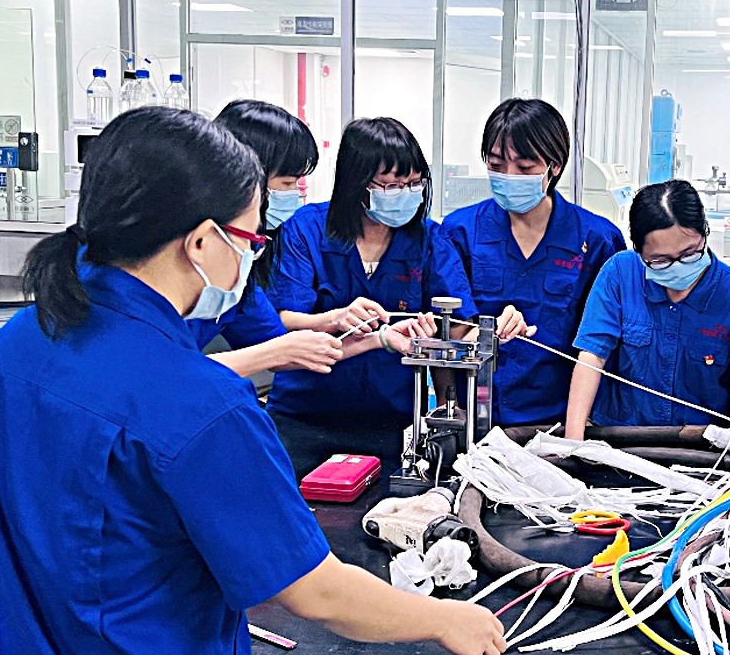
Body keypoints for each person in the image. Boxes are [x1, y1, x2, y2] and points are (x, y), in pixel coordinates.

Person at [0, 107, 505, 655]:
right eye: (251, 238)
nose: (254, 256)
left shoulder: (22, 342)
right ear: (199, 241)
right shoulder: (196, 403)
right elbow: (316, 592)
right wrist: (446, 620)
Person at [265, 117, 476, 474]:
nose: (405, 194)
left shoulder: (428, 240)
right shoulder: (306, 229)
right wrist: (334, 318)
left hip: (390, 421)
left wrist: (446, 409)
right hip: (303, 416)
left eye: (414, 184)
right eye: (391, 186)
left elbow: (454, 329)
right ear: (356, 183)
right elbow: (280, 321)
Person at [441, 98, 626, 427]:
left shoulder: (597, 239)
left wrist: (581, 427)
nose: (509, 176)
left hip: (562, 420)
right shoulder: (461, 232)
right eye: (496, 165)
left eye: (525, 168)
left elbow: (606, 344)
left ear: (554, 165)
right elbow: (447, 330)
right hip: (478, 416)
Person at [566, 179, 730, 439]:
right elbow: (592, 357)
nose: (678, 267)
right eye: (660, 261)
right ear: (639, 251)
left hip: (702, 445)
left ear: (705, 233)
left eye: (690, 254)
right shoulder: (620, 273)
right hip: (622, 437)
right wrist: (573, 442)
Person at [182, 99, 340, 380]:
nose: (294, 194)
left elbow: (278, 343)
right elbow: (160, 368)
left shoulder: (241, 263)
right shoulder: (169, 262)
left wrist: (379, 339)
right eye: (287, 183)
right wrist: (273, 353)